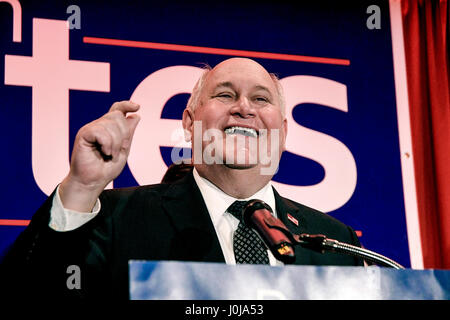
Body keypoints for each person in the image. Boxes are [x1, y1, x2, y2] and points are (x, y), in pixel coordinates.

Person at [0, 58, 363, 300]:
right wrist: (80, 188)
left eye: (260, 98)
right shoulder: (117, 217)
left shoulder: (334, 242)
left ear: (282, 133)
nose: (244, 108)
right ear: (189, 122)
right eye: (225, 94)